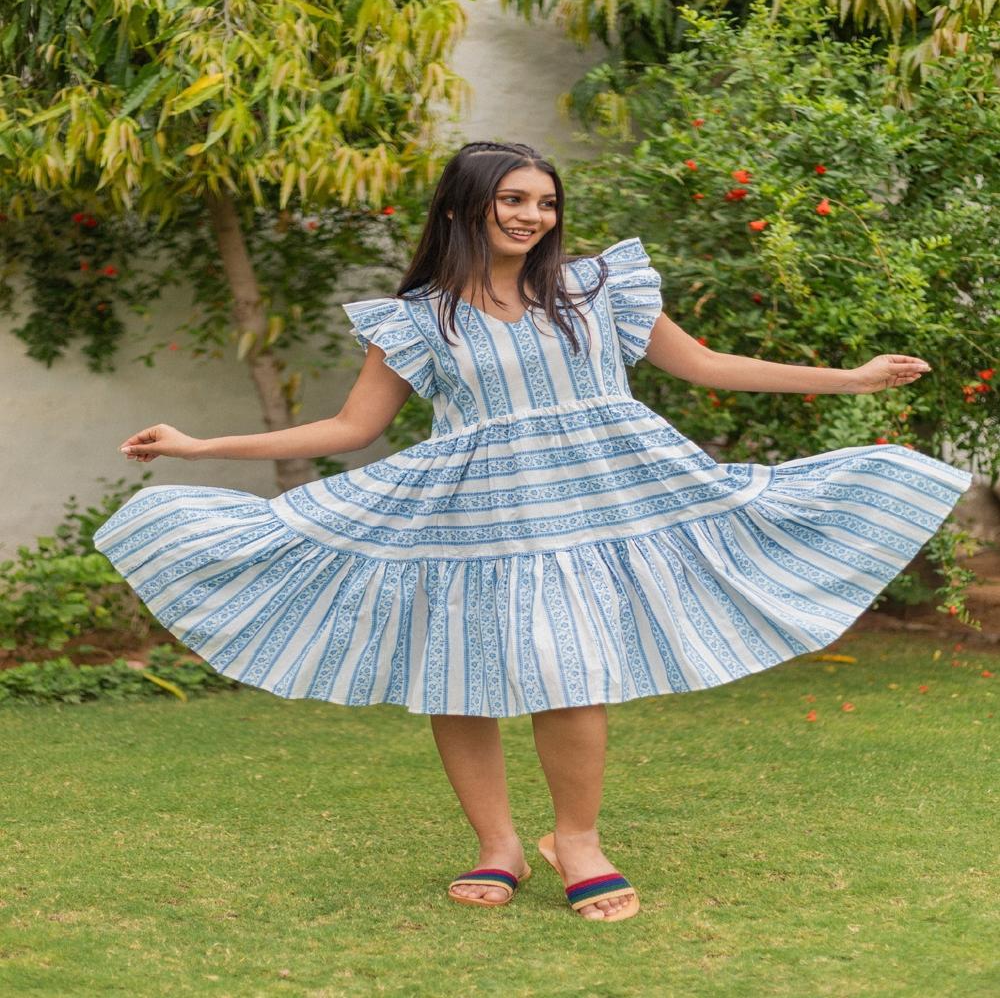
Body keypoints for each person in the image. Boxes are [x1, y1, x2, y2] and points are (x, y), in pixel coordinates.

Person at [93, 140, 973, 923]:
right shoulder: (418, 318)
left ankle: (577, 841)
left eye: (545, 202)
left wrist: (851, 378)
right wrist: (201, 445)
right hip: (470, 516)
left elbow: (703, 365)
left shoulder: (595, 289)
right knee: (458, 675)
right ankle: (498, 846)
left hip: (590, 507)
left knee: (569, 666)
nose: (532, 215)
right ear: (461, 208)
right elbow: (350, 428)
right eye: (513, 199)